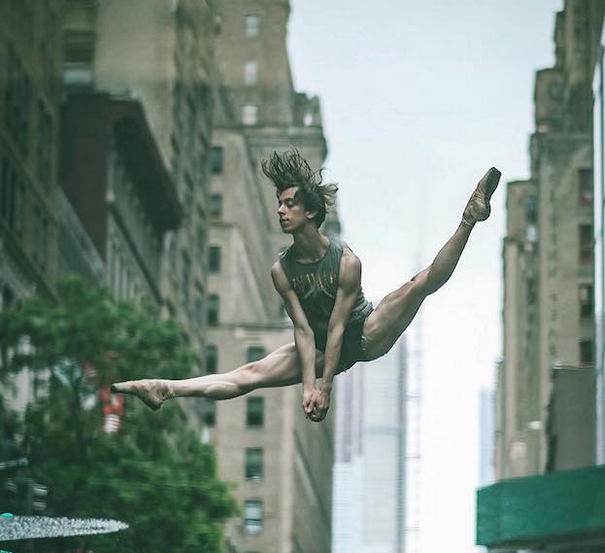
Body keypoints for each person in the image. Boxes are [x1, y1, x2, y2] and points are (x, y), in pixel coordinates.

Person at [112, 149, 501, 423]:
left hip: (362, 334)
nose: (280, 211)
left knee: (418, 284)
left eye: (289, 204)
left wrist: (324, 389)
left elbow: (336, 327)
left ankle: (469, 217)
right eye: (279, 204)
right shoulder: (282, 271)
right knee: (247, 373)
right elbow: (302, 328)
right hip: (313, 344)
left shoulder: (347, 262)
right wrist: (306, 389)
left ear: (310, 211)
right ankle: (164, 388)